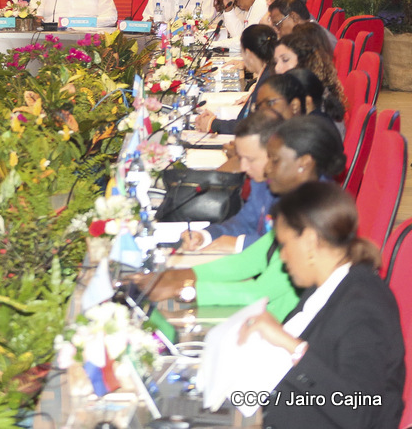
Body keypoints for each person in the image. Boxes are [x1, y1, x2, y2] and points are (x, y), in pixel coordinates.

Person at [146, 114, 347, 321]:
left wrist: (182, 289)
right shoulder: (296, 204)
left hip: (281, 324)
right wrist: (174, 276)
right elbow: (249, 260)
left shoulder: (315, 216)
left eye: (274, 160)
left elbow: (259, 294)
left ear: (304, 164)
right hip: (262, 316)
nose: (268, 168)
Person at [237, 183, 405, 429]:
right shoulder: (324, 287)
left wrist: (291, 346)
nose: (282, 257)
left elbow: (361, 413)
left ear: (309, 241)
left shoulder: (364, 305)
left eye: (284, 245)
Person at [179, 112, 283, 252]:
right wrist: (205, 236)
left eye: (250, 159)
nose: (243, 167)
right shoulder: (260, 181)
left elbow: (288, 244)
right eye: (240, 158)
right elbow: (244, 222)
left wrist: (240, 243)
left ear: (275, 154)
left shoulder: (299, 189)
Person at [195, 24, 277, 135]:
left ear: (248, 53)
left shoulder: (268, 82)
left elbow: (253, 127)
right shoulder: (268, 72)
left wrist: (213, 123)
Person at [275, 26, 347, 125]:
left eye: (285, 60)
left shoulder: (316, 109)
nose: (277, 68)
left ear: (305, 62)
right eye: (276, 61)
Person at [267, 0, 338, 47]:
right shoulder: (308, 33)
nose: (276, 30)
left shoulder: (312, 41)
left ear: (294, 17)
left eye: (277, 25)